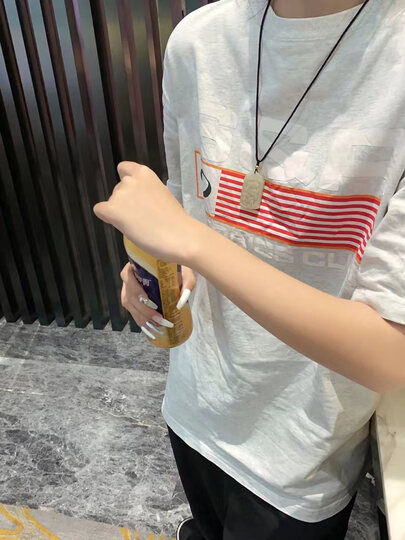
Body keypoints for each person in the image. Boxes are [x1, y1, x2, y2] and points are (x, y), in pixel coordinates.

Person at [94, 0, 405, 538]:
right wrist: (154, 267)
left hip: (302, 452)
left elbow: (389, 354)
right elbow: (188, 201)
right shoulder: (198, 40)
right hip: (194, 401)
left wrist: (192, 242)